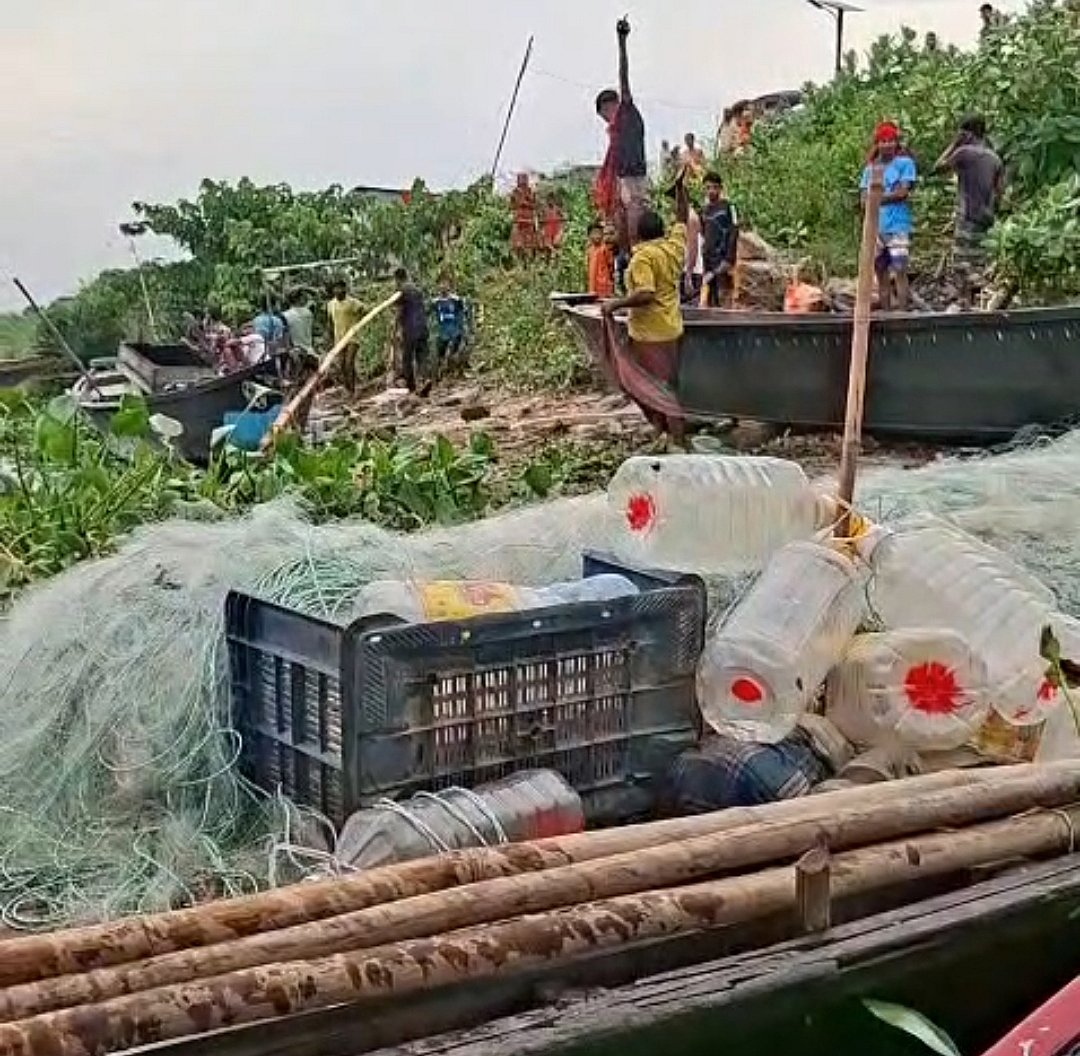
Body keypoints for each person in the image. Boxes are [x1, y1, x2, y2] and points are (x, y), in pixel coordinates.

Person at [600, 168, 691, 447]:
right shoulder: (673, 246)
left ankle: (677, 439)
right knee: (667, 383)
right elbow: (682, 218)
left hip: (650, 332)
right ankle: (668, 433)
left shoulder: (643, 258)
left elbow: (646, 293)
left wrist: (616, 304)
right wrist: (680, 192)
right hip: (672, 327)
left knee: (652, 386)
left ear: (639, 233)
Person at [935, 114, 1005, 308]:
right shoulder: (995, 158)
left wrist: (954, 144)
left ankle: (972, 298)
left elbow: (938, 167)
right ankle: (973, 302)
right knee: (979, 261)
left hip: (967, 216)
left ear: (966, 133)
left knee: (961, 265)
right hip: (986, 217)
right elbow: (1000, 193)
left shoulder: (963, 152)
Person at [594, 18, 648, 252]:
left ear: (611, 105)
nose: (606, 120)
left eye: (605, 113)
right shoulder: (614, 132)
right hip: (622, 181)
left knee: (636, 237)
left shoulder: (626, 111)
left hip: (636, 179)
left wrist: (622, 41)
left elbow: (624, 77)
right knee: (620, 235)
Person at [861, 121, 917, 311]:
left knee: (900, 269)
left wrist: (876, 199)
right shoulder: (870, 169)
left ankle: (902, 311)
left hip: (897, 226)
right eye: (883, 141)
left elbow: (902, 192)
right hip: (876, 228)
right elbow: (863, 200)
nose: (887, 145)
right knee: (880, 271)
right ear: (877, 144)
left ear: (896, 143)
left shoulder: (905, 164)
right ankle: (886, 312)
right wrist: (875, 200)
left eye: (890, 141)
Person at [699, 171, 740, 308]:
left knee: (726, 297)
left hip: (723, 260)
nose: (711, 191)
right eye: (708, 187)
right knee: (709, 298)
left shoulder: (730, 207)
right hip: (709, 261)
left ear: (721, 188)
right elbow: (705, 235)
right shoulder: (704, 210)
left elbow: (735, 231)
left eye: (715, 187)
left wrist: (729, 259)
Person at [394, 268, 431, 395]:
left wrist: (397, 329)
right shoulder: (417, 290)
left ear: (397, 279)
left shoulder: (401, 292)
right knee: (422, 357)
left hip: (410, 329)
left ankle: (412, 387)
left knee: (407, 359)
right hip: (422, 327)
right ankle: (425, 379)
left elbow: (399, 312)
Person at [327, 278, 363, 392]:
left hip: (352, 338)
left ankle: (352, 390)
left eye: (340, 288)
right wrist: (330, 339)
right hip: (339, 339)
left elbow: (365, 310)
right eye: (335, 288)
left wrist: (358, 323)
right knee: (341, 365)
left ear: (344, 289)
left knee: (349, 364)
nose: (338, 290)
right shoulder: (331, 304)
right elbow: (330, 322)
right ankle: (347, 389)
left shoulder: (352, 302)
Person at [432, 275, 468, 368]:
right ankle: (439, 370)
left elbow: (463, 312)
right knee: (440, 353)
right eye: (441, 283)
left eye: (445, 283)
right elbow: (430, 315)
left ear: (449, 286)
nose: (443, 286)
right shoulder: (435, 302)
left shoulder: (456, 300)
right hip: (442, 331)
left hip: (455, 330)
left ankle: (456, 367)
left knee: (454, 353)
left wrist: (463, 327)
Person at [510, 173, 538, 259]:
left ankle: (530, 259)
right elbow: (511, 205)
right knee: (518, 242)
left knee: (530, 242)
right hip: (518, 219)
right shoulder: (515, 192)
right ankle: (519, 258)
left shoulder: (530, 192)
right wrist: (520, 203)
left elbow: (535, 205)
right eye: (521, 180)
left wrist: (526, 202)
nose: (523, 182)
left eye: (524, 180)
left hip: (529, 219)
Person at [586, 221, 616, 298]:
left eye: (599, 233)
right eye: (594, 233)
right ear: (589, 235)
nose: (597, 236)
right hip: (593, 285)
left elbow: (611, 266)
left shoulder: (605, 249)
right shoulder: (589, 250)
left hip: (604, 286)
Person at [282, 288, 314, 352]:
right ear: (299, 299)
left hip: (294, 351)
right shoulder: (308, 313)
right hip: (309, 350)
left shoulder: (285, 315)